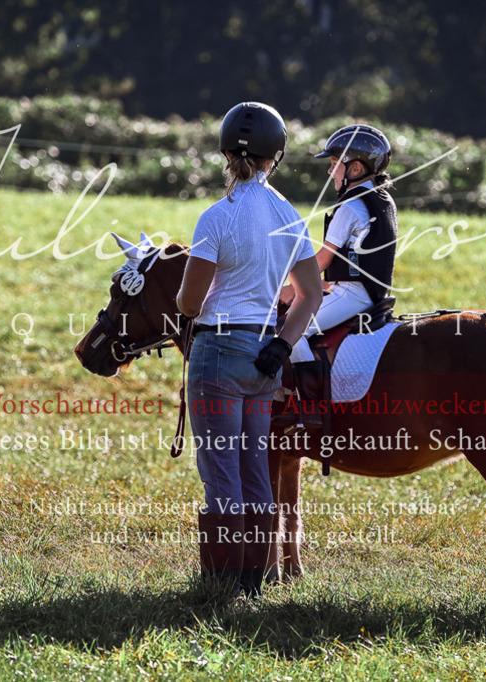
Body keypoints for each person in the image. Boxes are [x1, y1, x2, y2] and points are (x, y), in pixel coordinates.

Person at [176, 101, 322, 597]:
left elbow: (190, 303)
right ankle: (253, 583)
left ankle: (221, 584)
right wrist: (282, 345)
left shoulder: (216, 217)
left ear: (225, 153)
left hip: (217, 353)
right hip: (264, 357)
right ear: (274, 157)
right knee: (254, 469)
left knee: (221, 472)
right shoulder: (289, 216)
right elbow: (310, 295)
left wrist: (184, 297)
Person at [279, 124, 398, 428]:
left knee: (294, 331)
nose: (330, 172)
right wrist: (318, 285)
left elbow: (321, 259)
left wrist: (290, 286)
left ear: (355, 168)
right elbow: (354, 263)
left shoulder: (350, 206)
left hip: (353, 296)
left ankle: (309, 407)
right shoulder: (381, 200)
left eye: (334, 164)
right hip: (363, 291)